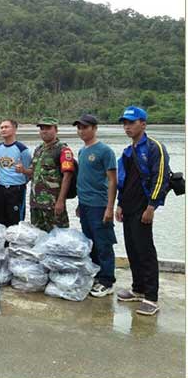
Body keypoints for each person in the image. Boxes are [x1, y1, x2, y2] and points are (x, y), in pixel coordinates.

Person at [115, 106, 170, 316]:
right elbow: (124, 181)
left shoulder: (155, 147)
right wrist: (120, 204)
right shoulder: (129, 152)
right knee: (132, 248)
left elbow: (161, 177)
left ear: (143, 124)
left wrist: (152, 206)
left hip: (143, 207)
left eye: (132, 122)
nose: (127, 127)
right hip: (128, 207)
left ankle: (151, 297)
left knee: (145, 250)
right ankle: (138, 288)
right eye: (125, 123)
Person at [72, 114, 118, 298]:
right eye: (79, 128)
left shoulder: (105, 151)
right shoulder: (82, 151)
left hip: (100, 205)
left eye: (85, 127)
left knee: (104, 243)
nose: (81, 131)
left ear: (94, 128)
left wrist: (109, 207)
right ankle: (96, 276)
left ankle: (108, 281)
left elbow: (113, 180)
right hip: (85, 205)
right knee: (90, 243)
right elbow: (84, 180)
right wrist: (79, 204)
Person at [17, 117, 74, 233]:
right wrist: (23, 170)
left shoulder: (63, 150)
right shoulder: (39, 150)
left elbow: (67, 176)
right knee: (38, 236)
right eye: (42, 128)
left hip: (53, 203)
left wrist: (61, 201)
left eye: (48, 128)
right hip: (36, 203)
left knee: (59, 237)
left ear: (56, 130)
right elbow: (33, 172)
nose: (44, 131)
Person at [0, 119, 32, 227]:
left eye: (6, 127)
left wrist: (22, 172)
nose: (3, 129)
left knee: (15, 220)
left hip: (16, 189)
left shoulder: (22, 149)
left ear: (14, 129)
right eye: (1, 127)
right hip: (0, 188)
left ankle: (15, 242)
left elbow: (30, 172)